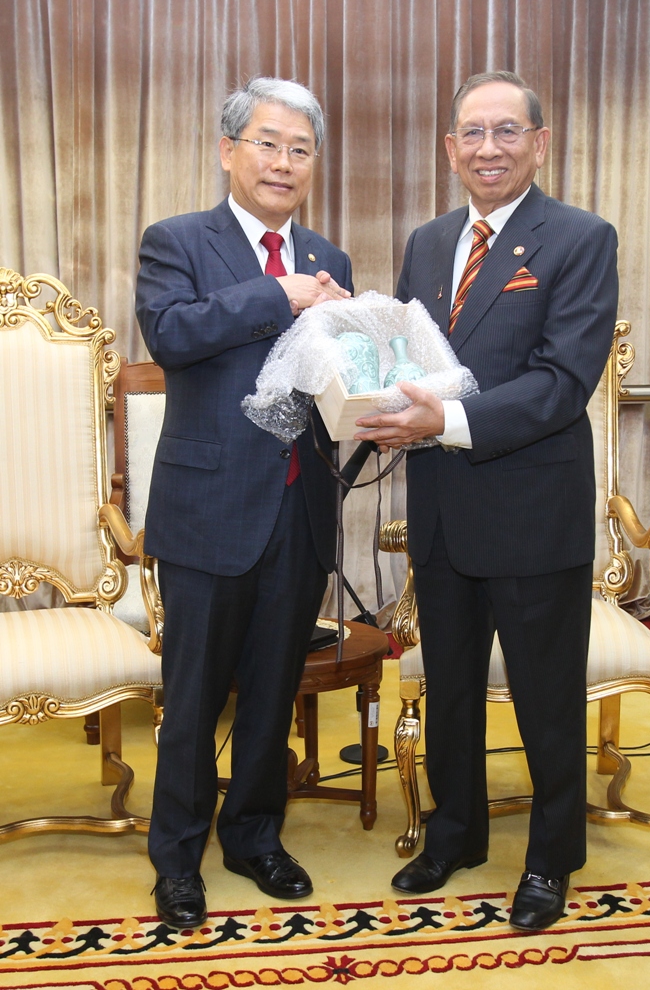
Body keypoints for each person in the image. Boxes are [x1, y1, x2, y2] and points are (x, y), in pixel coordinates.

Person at [355, 71, 618, 931]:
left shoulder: (580, 238)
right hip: (441, 509)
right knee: (453, 690)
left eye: (507, 131)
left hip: (532, 512)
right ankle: (456, 834)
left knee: (546, 699)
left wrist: (448, 420)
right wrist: (375, 406)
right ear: (450, 148)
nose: (488, 148)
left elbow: (561, 381)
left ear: (540, 143)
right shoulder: (428, 241)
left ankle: (551, 859)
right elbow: (413, 361)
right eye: (472, 132)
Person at [136, 76, 352, 929]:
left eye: (301, 149)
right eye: (268, 143)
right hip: (207, 510)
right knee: (192, 699)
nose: (284, 163)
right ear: (229, 151)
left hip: (300, 510)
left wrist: (373, 392)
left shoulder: (331, 257)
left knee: (271, 693)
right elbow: (171, 334)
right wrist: (278, 295)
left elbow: (332, 384)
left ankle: (255, 837)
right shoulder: (176, 241)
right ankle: (176, 859)